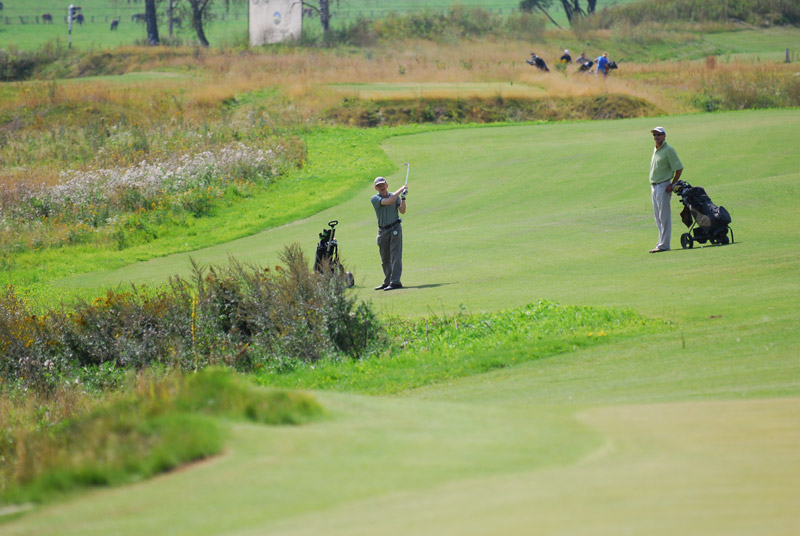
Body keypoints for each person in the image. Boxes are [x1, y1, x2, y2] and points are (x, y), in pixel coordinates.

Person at [648, 126, 683, 253]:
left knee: (664, 216)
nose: (656, 137)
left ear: (664, 136)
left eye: (658, 134)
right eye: (654, 135)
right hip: (654, 186)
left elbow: (679, 168)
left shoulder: (668, 150)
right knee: (658, 217)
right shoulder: (656, 149)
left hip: (663, 186)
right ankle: (660, 243)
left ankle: (664, 245)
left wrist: (672, 185)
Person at [371, 176, 407, 290]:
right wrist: (401, 189)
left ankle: (395, 282)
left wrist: (403, 198)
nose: (382, 187)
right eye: (379, 186)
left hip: (395, 228)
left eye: (383, 184)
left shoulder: (394, 196)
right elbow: (389, 201)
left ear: (386, 185)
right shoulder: (375, 199)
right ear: (376, 188)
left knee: (395, 255)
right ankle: (387, 281)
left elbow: (402, 211)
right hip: (382, 231)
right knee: (385, 258)